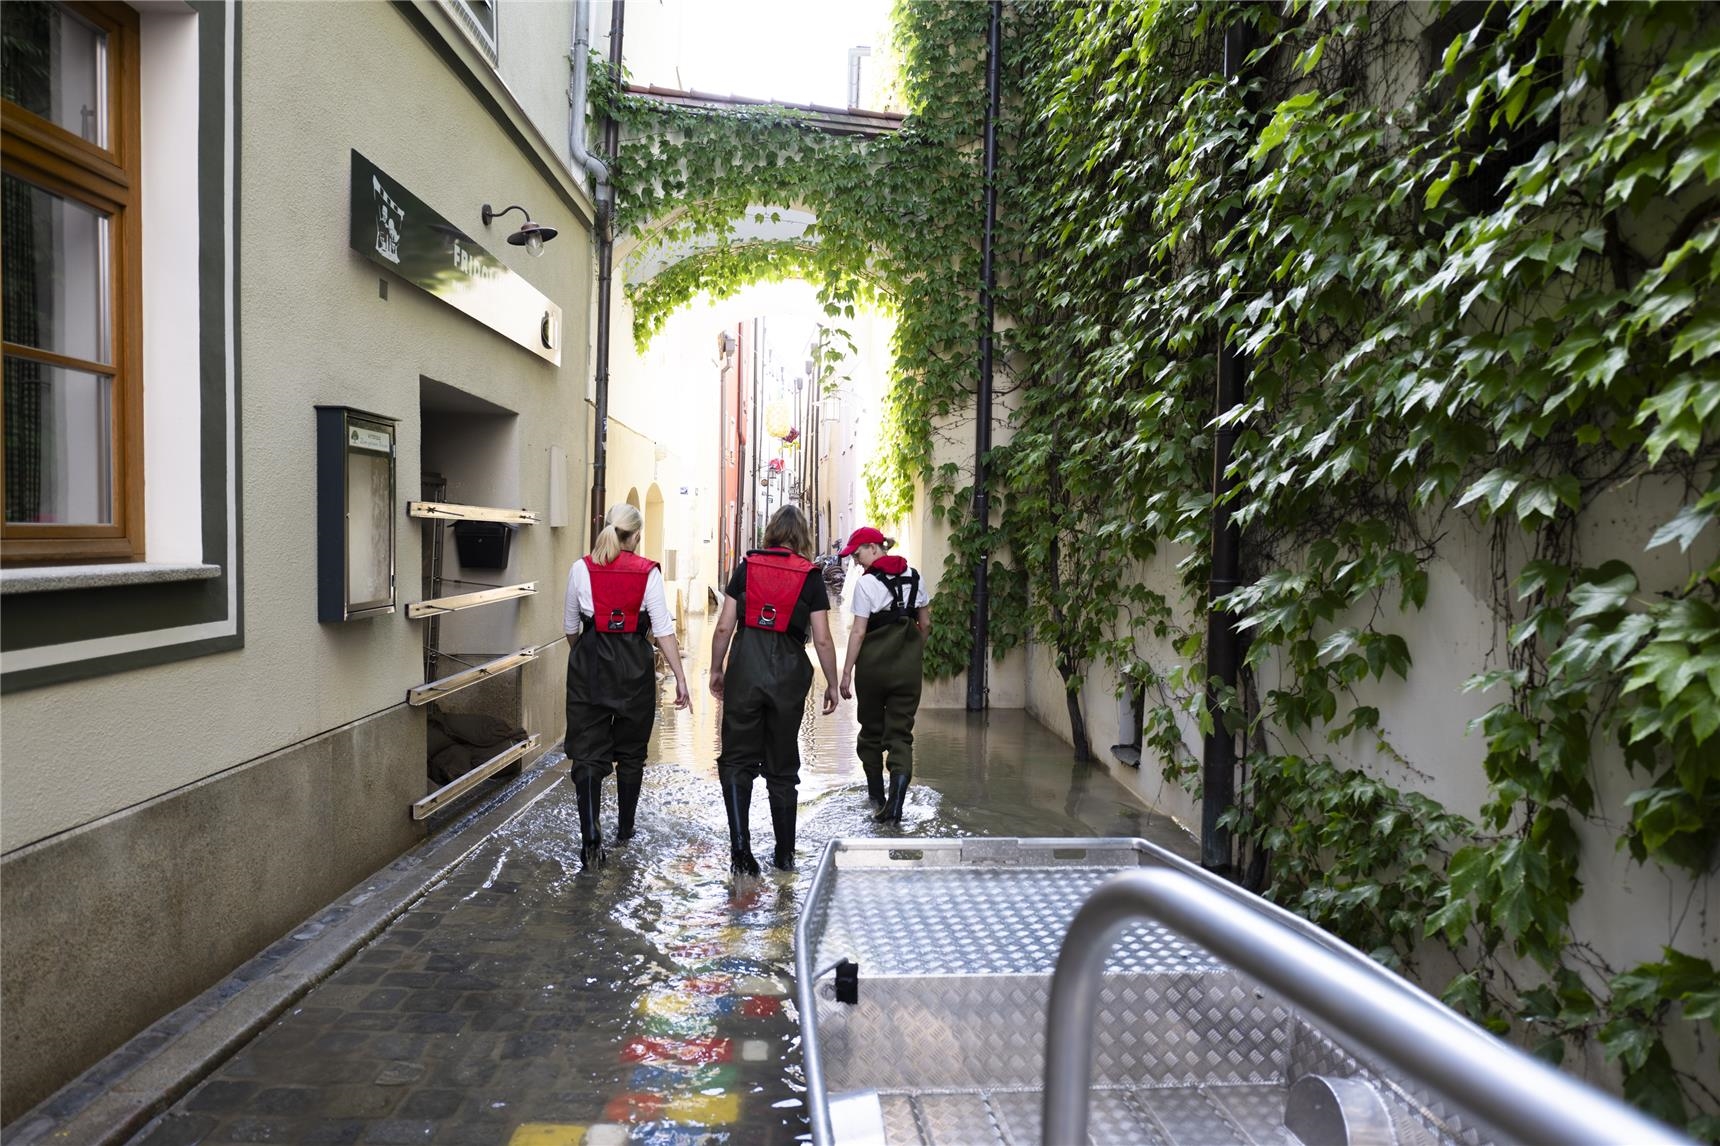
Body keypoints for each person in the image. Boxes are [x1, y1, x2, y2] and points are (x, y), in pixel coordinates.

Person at [708, 505, 840, 875]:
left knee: (737, 760)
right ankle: (784, 857)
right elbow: (824, 640)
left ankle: (740, 852)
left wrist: (717, 669)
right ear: (802, 538)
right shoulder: (811, 577)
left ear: (771, 534)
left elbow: (723, 628)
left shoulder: (748, 568)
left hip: (746, 666)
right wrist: (832, 682)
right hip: (788, 671)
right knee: (782, 766)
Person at [563, 504, 691, 871]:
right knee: (631, 752)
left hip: (589, 662)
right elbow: (664, 629)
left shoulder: (580, 568)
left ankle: (590, 838)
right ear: (635, 536)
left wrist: (586, 658)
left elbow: (570, 626)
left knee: (587, 754)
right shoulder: (647, 572)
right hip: (634, 667)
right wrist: (681, 678)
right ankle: (626, 831)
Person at [837, 527, 931, 822]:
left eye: (857, 554)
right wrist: (913, 653)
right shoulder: (916, 577)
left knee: (871, 734)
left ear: (874, 548)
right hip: (908, 670)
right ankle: (897, 804)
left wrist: (846, 672)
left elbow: (859, 631)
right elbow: (925, 624)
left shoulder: (866, 585)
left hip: (873, 670)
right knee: (901, 735)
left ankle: (876, 799)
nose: (856, 562)